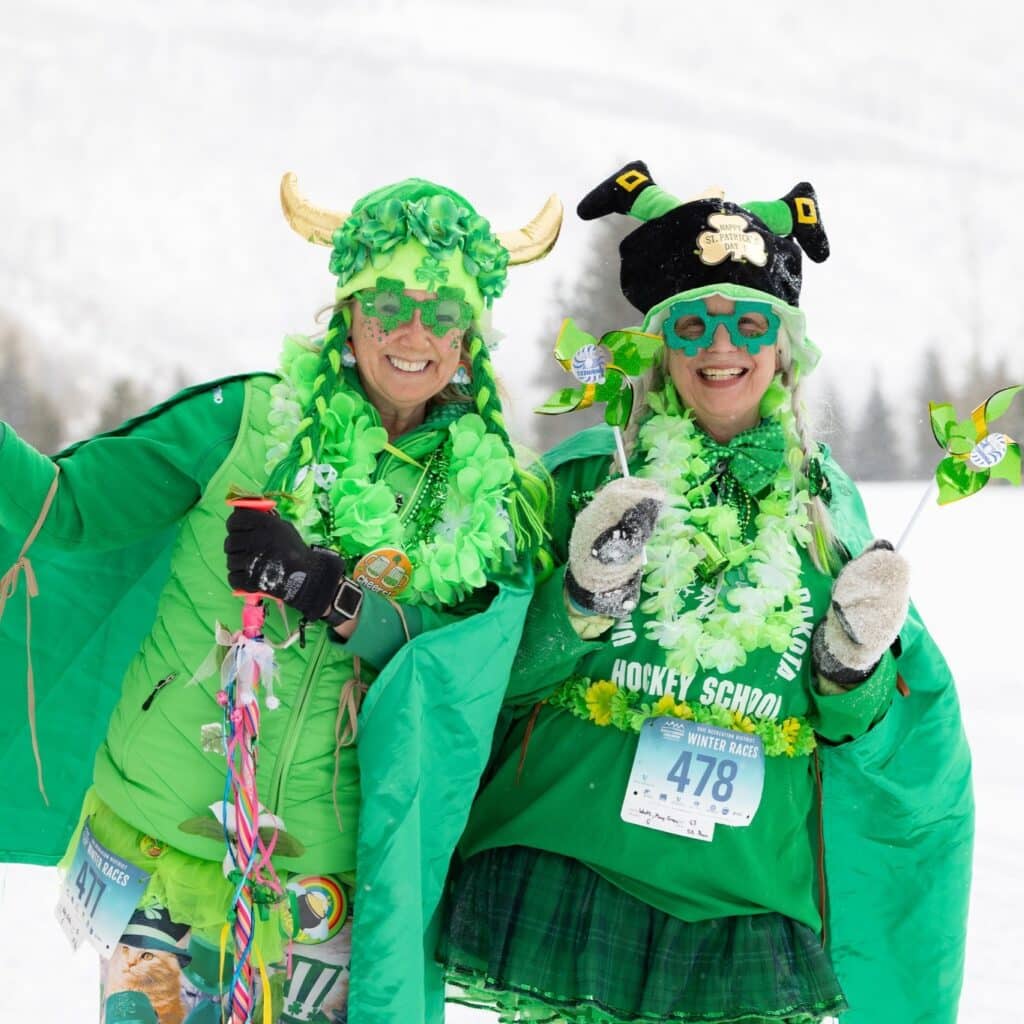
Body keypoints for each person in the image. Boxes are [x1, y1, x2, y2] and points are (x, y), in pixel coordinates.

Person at [0, 172, 561, 1024]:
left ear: (471, 330)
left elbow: (470, 668)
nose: (414, 332)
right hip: (158, 846)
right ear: (347, 310)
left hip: (324, 883)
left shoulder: (497, 497)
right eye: (387, 304)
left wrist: (328, 591)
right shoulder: (246, 420)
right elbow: (66, 508)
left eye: (443, 310)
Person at [438, 162, 973, 1024]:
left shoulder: (827, 509)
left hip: (743, 904)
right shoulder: (585, 477)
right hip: (579, 869)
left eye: (748, 323)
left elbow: (854, 725)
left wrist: (851, 666)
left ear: (783, 349)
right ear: (658, 345)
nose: (720, 348)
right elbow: (483, 673)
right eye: (692, 324)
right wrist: (581, 598)